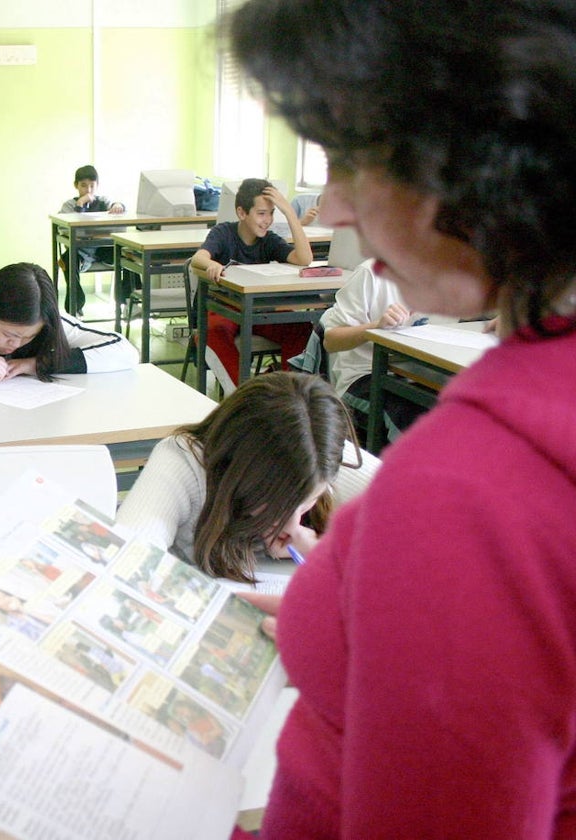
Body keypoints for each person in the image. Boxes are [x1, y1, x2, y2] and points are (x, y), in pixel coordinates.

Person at [228, 1, 576, 836]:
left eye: (351, 160)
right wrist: (351, 609)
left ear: (478, 159)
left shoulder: (462, 495)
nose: (334, 207)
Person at [115, 372, 374, 584]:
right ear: (239, 472)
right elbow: (126, 561)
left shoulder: (321, 451)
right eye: (275, 503)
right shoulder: (183, 460)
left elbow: (411, 511)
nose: (292, 523)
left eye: (306, 503)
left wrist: (325, 549)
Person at [191, 178, 313, 383]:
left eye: (272, 213)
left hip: (257, 310)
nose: (268, 220)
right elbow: (198, 258)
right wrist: (211, 264)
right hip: (224, 308)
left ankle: (284, 388)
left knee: (302, 328)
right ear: (242, 212)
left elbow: (304, 259)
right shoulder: (224, 232)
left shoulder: (269, 240)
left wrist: (289, 213)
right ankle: (243, 394)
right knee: (212, 332)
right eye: (261, 214)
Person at [0, 262, 138, 390]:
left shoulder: (41, 316)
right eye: (8, 334)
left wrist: (36, 364)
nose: (16, 344)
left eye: (29, 337)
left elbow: (124, 350)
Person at [318, 257, 429, 438]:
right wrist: (376, 326)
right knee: (412, 420)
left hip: (421, 375)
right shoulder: (372, 272)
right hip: (364, 375)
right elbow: (331, 340)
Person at [58, 164, 127, 314]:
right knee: (66, 259)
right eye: (83, 186)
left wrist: (118, 205)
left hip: (104, 250)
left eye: (91, 186)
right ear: (76, 185)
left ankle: (127, 300)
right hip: (81, 252)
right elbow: (66, 228)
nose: (88, 190)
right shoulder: (69, 205)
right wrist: (80, 205)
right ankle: (75, 305)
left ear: (97, 185)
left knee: (129, 254)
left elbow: (119, 207)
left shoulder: (103, 201)